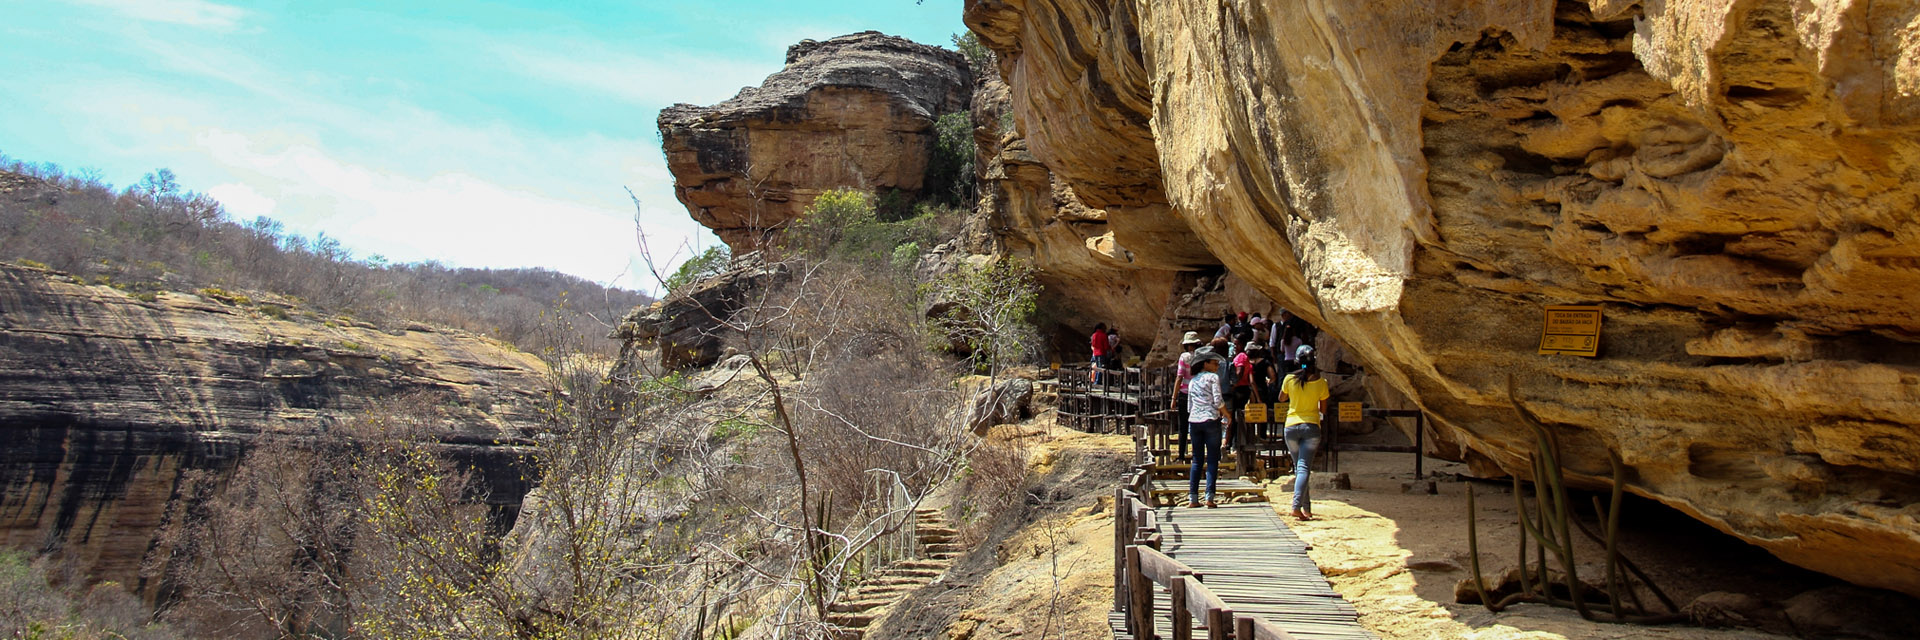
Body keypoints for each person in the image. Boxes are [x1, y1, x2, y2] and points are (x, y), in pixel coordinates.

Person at [1278, 349, 1331, 520]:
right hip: (1311, 427)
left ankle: (1306, 509)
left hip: (1291, 427)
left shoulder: (1289, 379)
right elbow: (1323, 409)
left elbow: (1281, 398)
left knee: (1300, 468)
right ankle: (1296, 506)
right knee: (1304, 468)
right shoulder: (1321, 383)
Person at [1186, 348, 1229, 508]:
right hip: (1211, 419)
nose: (1217, 366)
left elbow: (1190, 406)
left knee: (1196, 459)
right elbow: (1218, 400)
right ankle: (1209, 497)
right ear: (1206, 364)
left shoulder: (1192, 381)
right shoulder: (1213, 377)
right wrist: (1227, 415)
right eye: (1214, 363)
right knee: (1212, 459)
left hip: (1194, 421)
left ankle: (1193, 498)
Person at [1172, 331, 1204, 459]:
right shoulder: (1201, 357)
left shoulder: (1184, 357)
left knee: (1183, 427)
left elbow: (1179, 377)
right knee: (1197, 425)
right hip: (1198, 394)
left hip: (1185, 394)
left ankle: (1181, 455)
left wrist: (1174, 397)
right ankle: (1197, 454)